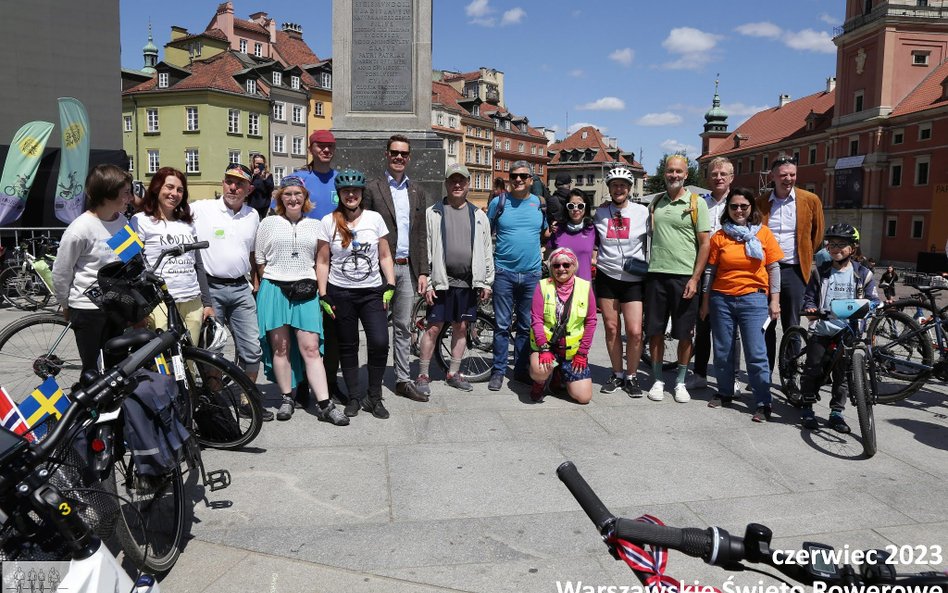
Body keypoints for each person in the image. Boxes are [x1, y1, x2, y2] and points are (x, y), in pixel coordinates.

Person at [254, 175, 348, 425]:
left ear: (305, 197)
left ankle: (325, 404)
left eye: (298, 194)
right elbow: (260, 259)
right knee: (281, 347)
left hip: (306, 290)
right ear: (280, 197)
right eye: (288, 194)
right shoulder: (268, 223)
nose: (293, 198)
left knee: (310, 347)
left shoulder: (316, 225)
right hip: (274, 288)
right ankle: (287, 397)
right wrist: (276, 280)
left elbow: (321, 260)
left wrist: (320, 289)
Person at [191, 163, 271, 421]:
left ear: (248, 189)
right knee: (213, 348)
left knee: (252, 348)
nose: (233, 187)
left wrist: (256, 280)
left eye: (239, 184)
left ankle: (247, 400)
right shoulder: (202, 209)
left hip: (240, 287)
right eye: (229, 181)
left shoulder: (252, 216)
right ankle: (215, 400)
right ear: (222, 183)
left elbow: (251, 252)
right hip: (211, 288)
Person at [317, 169, 397, 419]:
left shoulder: (374, 219)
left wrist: (390, 284)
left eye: (355, 191)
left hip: (372, 292)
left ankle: (374, 396)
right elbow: (322, 260)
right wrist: (323, 294)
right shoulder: (328, 221)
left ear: (362, 193)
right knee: (348, 346)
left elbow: (384, 255)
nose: (351, 195)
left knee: (380, 342)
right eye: (346, 191)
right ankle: (353, 397)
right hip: (340, 292)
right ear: (340, 194)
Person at [699, 188, 783, 421]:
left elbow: (774, 268)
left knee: (756, 353)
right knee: (723, 350)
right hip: (721, 299)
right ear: (728, 209)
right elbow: (710, 271)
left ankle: (763, 402)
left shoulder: (763, 234)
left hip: (754, 299)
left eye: (743, 206)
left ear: (751, 208)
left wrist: (774, 301)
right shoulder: (719, 237)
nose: (738, 210)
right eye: (734, 206)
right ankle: (725, 392)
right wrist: (705, 301)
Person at [363, 134, 431, 402]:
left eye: (404, 153)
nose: (399, 157)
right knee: (377, 329)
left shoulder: (417, 190)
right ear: (386, 154)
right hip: (380, 269)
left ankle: (403, 379)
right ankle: (374, 383)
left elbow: (421, 234)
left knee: (403, 327)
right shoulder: (372, 188)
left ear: (409, 157)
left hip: (407, 269)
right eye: (394, 152)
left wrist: (423, 270)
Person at [415, 163, 494, 396]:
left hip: (468, 282)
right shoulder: (433, 212)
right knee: (433, 328)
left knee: (461, 327)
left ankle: (454, 372)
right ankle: (422, 374)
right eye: (452, 181)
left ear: (468, 184)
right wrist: (428, 281)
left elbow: (487, 250)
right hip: (442, 281)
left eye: (461, 181)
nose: (457, 185)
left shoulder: (479, 215)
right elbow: (426, 248)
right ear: (446, 184)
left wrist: (486, 281)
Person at [52, 164, 134, 372]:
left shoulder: (122, 221)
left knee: (117, 366)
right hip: (88, 308)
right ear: (108, 195)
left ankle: (115, 405)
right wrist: (65, 304)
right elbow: (62, 272)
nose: (130, 198)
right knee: (92, 370)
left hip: (116, 304)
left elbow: (132, 260)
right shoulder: (80, 230)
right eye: (125, 193)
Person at [799, 224, 880, 431]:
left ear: (853, 247)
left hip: (849, 331)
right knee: (813, 367)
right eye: (831, 244)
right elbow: (809, 297)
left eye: (841, 244)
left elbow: (873, 298)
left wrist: (872, 305)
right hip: (823, 327)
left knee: (842, 374)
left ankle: (836, 412)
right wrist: (810, 308)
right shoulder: (821, 272)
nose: (835, 248)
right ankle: (807, 406)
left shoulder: (863, 274)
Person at [645, 155, 711, 403]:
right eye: (670, 171)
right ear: (664, 173)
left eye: (679, 171)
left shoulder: (696, 203)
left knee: (684, 333)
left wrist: (695, 279)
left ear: (686, 174)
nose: (674, 175)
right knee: (655, 331)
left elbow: (705, 244)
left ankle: (681, 381)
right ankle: (657, 379)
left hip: (684, 277)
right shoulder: (656, 202)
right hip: (656, 275)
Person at [756, 155, 825, 373]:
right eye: (783, 175)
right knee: (765, 323)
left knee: (792, 323)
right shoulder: (761, 203)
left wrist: (803, 254)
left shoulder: (810, 200)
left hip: (794, 269)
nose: (788, 179)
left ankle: (790, 370)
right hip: (765, 270)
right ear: (773, 177)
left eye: (792, 174)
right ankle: (764, 370)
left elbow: (817, 234)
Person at [131, 167, 214, 341]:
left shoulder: (188, 223)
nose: (174, 193)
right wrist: (140, 309)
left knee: (190, 361)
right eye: (169, 187)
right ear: (156, 188)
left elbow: (198, 264)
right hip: (160, 304)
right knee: (165, 363)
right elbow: (131, 265)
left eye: (180, 190)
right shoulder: (140, 221)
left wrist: (207, 303)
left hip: (192, 303)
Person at [487, 160, 549, 391]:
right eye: (514, 176)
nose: (519, 180)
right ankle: (498, 371)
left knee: (526, 326)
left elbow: (544, 233)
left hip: (532, 274)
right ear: (509, 179)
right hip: (504, 272)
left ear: (531, 180)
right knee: (502, 326)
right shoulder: (498, 202)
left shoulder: (539, 204)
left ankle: (521, 370)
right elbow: (486, 234)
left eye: (523, 176)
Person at [294, 129, 343, 401]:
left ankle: (330, 380)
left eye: (330, 146)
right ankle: (301, 382)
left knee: (332, 325)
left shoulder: (341, 179)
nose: (326, 150)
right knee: (304, 326)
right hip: (304, 261)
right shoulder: (300, 179)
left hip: (334, 263)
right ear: (311, 148)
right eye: (320, 146)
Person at [593, 167, 649, 396]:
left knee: (635, 331)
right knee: (612, 327)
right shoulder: (600, 213)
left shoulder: (642, 212)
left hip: (634, 278)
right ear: (609, 188)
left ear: (630, 188)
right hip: (608, 275)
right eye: (615, 185)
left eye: (623, 185)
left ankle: (632, 376)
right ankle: (617, 374)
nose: (619, 189)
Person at [692, 157, 742, 391]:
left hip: (731, 270)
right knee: (703, 323)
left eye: (723, 174)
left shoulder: (740, 204)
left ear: (731, 177)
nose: (719, 177)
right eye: (714, 174)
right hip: (704, 268)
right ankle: (700, 373)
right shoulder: (700, 203)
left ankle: (732, 377)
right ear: (707, 177)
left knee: (731, 329)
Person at [528, 247, 597, 403]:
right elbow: (536, 319)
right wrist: (544, 348)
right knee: (540, 370)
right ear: (551, 267)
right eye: (556, 265)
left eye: (566, 265)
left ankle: (558, 376)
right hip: (547, 346)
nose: (561, 269)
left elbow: (591, 321)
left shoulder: (585, 287)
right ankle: (540, 382)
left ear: (574, 266)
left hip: (572, 351)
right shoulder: (543, 286)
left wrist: (582, 353)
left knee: (584, 398)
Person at [549, 189, 595, 281]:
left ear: (586, 208)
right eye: (571, 206)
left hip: (584, 286)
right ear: (566, 208)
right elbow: (549, 257)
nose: (575, 209)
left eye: (580, 205)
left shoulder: (592, 229)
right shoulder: (557, 229)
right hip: (560, 286)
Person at [246, 153, 274, 220]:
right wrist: (253, 175)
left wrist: (264, 179)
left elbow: (270, 188)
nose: (259, 165)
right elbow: (246, 186)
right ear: (253, 164)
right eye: (257, 163)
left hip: (264, 205)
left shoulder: (268, 175)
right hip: (252, 205)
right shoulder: (249, 174)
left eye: (261, 163)